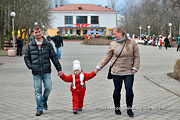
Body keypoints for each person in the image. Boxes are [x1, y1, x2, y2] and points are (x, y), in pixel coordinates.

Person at [94, 26, 140, 117]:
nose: (114, 36)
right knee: (117, 90)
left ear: (120, 32)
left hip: (129, 71)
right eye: (113, 34)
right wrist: (98, 68)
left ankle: (129, 109)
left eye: (115, 34)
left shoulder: (132, 43)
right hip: (116, 71)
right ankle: (117, 108)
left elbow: (137, 56)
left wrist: (135, 68)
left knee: (129, 90)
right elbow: (107, 57)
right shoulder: (113, 44)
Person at [24, 25, 63, 116]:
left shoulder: (48, 44)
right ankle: (39, 108)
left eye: (39, 32)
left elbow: (54, 57)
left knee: (48, 88)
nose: (38, 34)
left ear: (42, 32)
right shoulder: (30, 46)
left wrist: (59, 69)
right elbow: (26, 58)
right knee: (37, 91)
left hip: (46, 71)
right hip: (36, 72)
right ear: (33, 33)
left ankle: (44, 100)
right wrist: (31, 66)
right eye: (36, 32)